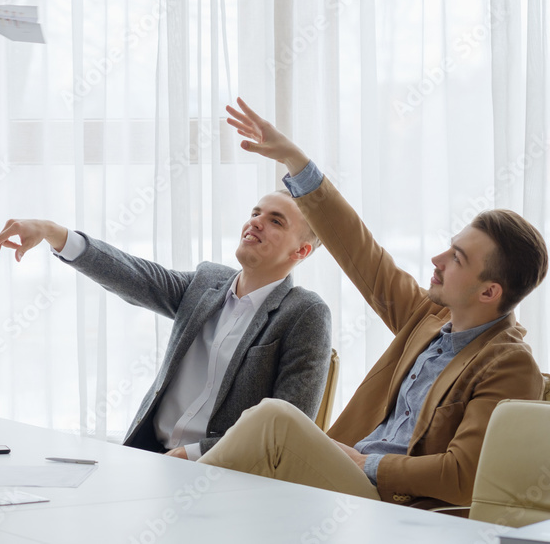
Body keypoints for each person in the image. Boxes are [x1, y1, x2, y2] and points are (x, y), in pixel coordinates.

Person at [198, 98, 547, 508]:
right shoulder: (429, 318)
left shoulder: (509, 365)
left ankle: (179, 501)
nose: (437, 260)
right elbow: (360, 251)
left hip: (389, 502)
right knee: (245, 484)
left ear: (490, 292)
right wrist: (294, 159)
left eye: (457, 259)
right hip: (345, 477)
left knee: (272, 419)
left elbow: (462, 476)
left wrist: (366, 463)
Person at [0, 191, 332, 460]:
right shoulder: (207, 282)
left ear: (300, 252)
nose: (255, 222)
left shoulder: (305, 313)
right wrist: (52, 232)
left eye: (275, 221)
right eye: (255, 212)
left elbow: (287, 428)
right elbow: (135, 276)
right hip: (147, 456)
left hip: (227, 475)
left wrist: (192, 454)